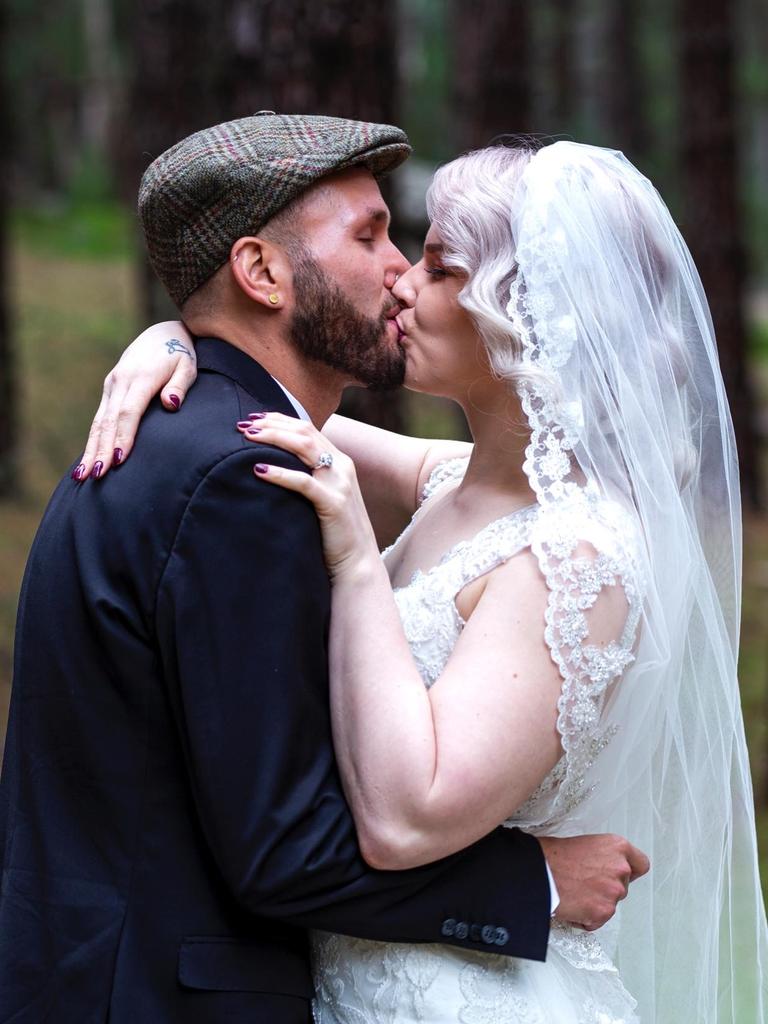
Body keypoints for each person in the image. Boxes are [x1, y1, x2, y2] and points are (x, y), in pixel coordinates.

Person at [85, 139, 768, 1021]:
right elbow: (266, 405)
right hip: (345, 975)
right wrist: (174, 337)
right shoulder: (459, 481)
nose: (404, 280)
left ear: (525, 310)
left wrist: (356, 561)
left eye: (442, 266)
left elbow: (408, 819)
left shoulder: (580, 555)